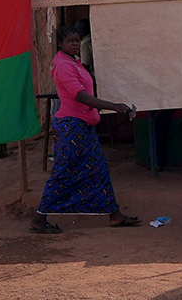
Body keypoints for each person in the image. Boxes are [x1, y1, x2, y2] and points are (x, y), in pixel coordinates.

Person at [31, 24, 140, 233]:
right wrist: (113, 106)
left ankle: (114, 214)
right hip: (71, 127)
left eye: (76, 41)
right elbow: (79, 95)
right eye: (70, 41)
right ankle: (39, 218)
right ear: (61, 44)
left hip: (82, 125)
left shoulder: (73, 62)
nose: (75, 44)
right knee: (63, 172)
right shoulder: (63, 66)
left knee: (98, 168)